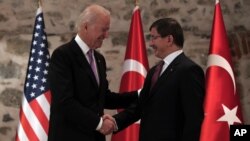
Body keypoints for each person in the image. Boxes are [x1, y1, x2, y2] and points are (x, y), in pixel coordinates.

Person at [104, 18, 205, 141]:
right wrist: (115, 121)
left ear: (169, 39)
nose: (151, 43)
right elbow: (141, 106)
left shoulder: (189, 70)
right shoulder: (155, 71)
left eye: (154, 38)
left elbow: (194, 118)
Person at [47, 4, 138, 141]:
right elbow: (64, 101)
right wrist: (99, 123)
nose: (106, 35)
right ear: (85, 26)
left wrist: (139, 94)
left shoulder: (99, 59)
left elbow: (104, 97)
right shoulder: (63, 55)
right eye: (104, 29)